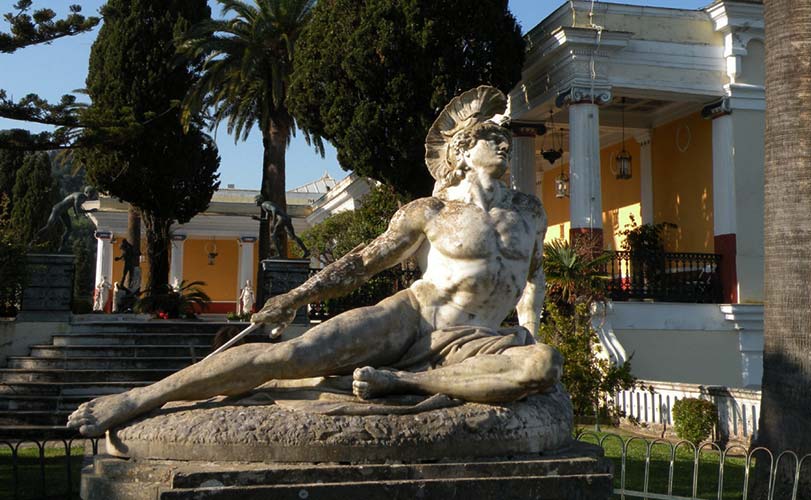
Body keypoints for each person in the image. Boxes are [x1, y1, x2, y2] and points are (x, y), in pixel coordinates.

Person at [68, 86, 562, 437]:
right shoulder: (431, 211)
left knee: (541, 364)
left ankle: (399, 382)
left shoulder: (530, 212)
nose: (503, 141)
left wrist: (528, 329)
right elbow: (362, 263)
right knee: (290, 356)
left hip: (480, 341)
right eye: (489, 136)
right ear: (463, 151)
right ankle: (140, 397)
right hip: (413, 317)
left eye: (503, 136)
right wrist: (295, 297)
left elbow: (532, 277)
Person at [32, 186, 97, 252]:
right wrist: (90, 210)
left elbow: (75, 205)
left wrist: (75, 214)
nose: (92, 196)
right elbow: (78, 210)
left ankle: (62, 247)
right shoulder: (80, 196)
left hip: (64, 211)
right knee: (49, 226)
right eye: (91, 193)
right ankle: (34, 239)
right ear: (87, 192)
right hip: (57, 209)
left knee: (69, 229)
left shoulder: (82, 196)